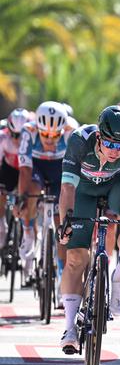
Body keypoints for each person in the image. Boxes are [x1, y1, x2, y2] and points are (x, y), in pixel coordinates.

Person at [58, 105, 120, 353]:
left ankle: (119, 277)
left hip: (115, 188)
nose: (114, 151)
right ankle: (69, 327)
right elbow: (67, 189)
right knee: (76, 257)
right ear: (99, 136)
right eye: (110, 144)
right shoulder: (79, 140)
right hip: (83, 191)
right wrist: (64, 222)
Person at [16, 101, 71, 286]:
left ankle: (62, 276)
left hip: (60, 170)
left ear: (63, 129)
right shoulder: (28, 131)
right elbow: (24, 169)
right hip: (37, 167)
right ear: (37, 127)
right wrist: (20, 199)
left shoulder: (72, 131)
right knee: (31, 190)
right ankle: (29, 232)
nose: (49, 139)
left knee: (62, 226)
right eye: (45, 134)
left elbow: (76, 173)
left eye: (55, 135)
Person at [0, 108, 31, 247]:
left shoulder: (33, 138)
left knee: (30, 199)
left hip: (26, 170)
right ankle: (2, 223)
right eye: (13, 134)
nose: (17, 139)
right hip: (9, 170)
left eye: (21, 135)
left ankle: (30, 232)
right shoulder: (3, 138)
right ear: (8, 130)